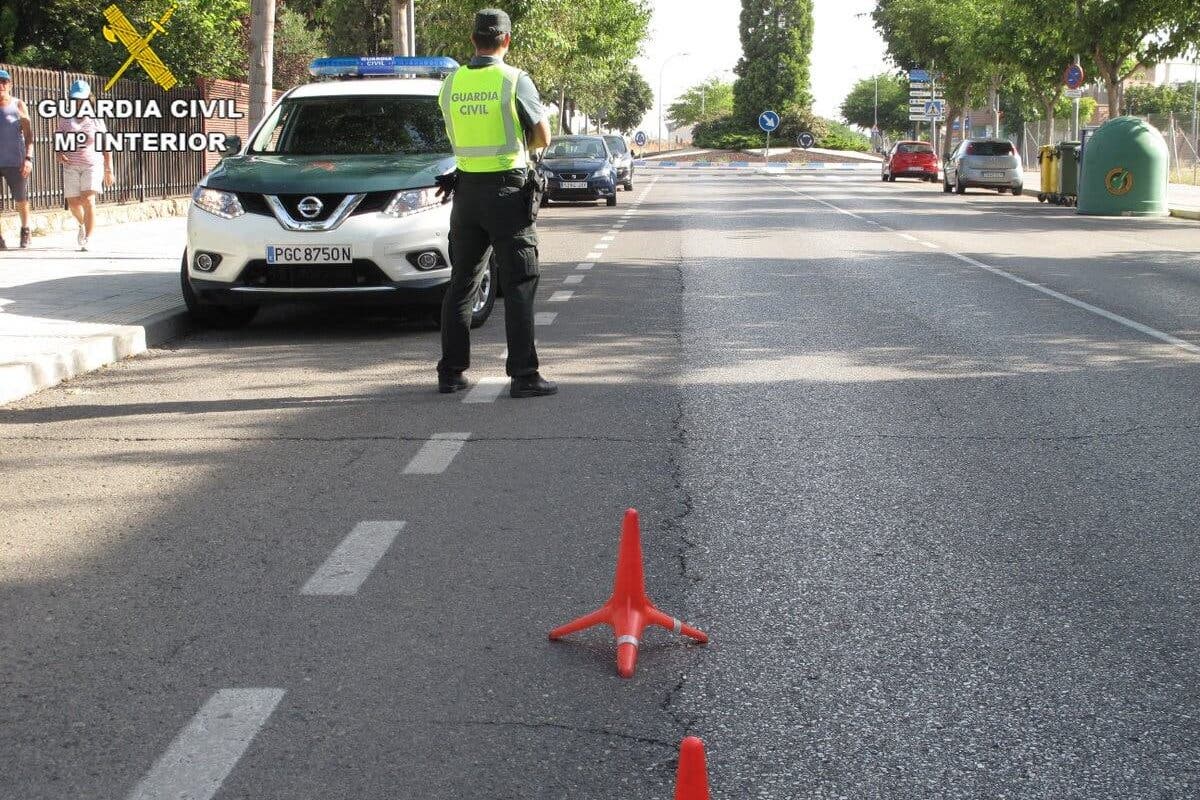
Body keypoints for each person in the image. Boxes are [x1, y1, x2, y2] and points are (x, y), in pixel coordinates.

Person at [435, 8, 556, 398]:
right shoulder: (514, 80)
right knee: (519, 282)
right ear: (506, 40)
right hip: (507, 192)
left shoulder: (450, 84)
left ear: (473, 40)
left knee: (462, 284)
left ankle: (451, 373)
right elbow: (542, 136)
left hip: (466, 193)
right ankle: (524, 376)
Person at [56, 79, 114, 251]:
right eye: (75, 99)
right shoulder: (66, 119)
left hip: (92, 164)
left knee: (88, 199)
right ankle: (81, 224)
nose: (78, 102)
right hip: (71, 165)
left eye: (81, 99)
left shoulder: (96, 120)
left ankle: (88, 238)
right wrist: (59, 153)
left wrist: (108, 169)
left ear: (89, 99)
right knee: (73, 203)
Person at [0, 68, 34, 249]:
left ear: (10, 85)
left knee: (21, 199)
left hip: (16, 161)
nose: (1, 85)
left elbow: (29, 136)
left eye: (4, 82)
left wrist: (28, 158)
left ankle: (25, 230)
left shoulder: (18, 105)